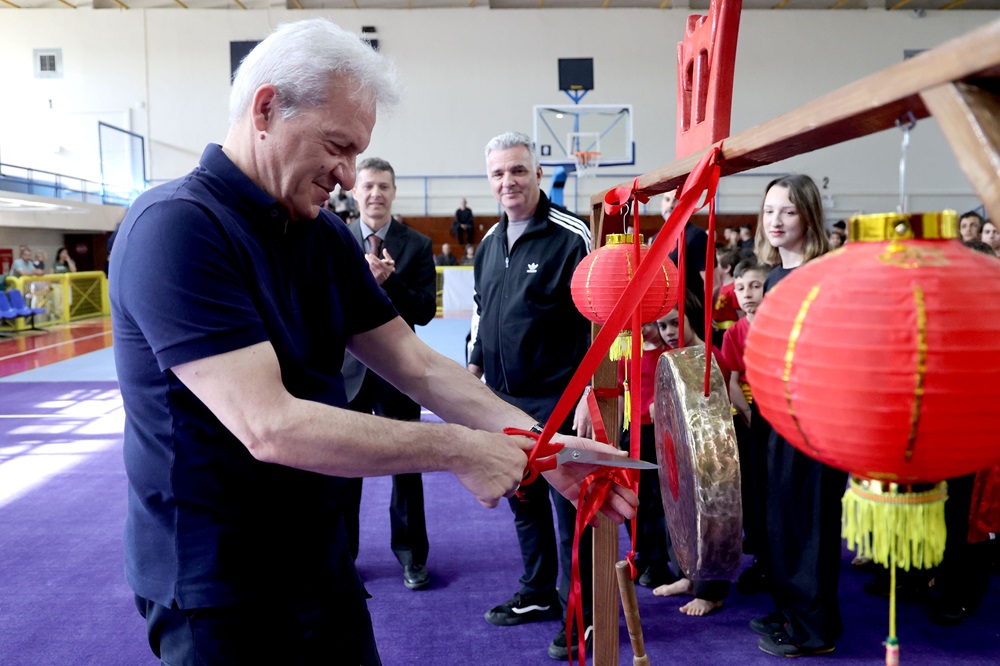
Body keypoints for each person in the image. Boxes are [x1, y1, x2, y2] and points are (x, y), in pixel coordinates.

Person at [108, 21, 636, 666]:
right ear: (266, 109)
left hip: (322, 564)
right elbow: (269, 426)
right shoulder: (177, 228)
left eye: (358, 153)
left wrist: (545, 447)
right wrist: (459, 448)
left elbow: (416, 364)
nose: (347, 174)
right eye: (338, 146)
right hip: (219, 586)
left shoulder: (324, 236)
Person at [469, 131, 596, 661]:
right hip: (504, 401)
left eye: (518, 170)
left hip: (560, 398)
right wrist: (473, 371)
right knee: (524, 502)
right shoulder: (488, 243)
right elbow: (481, 313)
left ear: (538, 174)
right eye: (498, 173)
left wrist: (591, 392)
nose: (508, 181)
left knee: (571, 514)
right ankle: (540, 592)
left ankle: (583, 615)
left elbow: (598, 318)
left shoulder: (572, 236)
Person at [749, 174, 845, 658]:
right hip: (778, 413)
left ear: (808, 215)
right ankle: (792, 611)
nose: (776, 220)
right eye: (769, 211)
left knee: (809, 524)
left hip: (814, 418)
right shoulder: (774, 277)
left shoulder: (822, 275)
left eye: (787, 210)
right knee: (781, 519)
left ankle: (814, 630)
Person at [340, 157, 437, 591]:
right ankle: (343, 558)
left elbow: (424, 310)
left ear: (394, 192)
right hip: (346, 370)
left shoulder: (416, 244)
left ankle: (412, 556)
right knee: (343, 467)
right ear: (355, 192)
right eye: (368, 186)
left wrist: (389, 282)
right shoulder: (333, 237)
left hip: (398, 370)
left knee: (406, 464)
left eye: (383, 186)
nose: (376, 193)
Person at [650, 290, 731, 617]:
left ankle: (711, 592)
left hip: (710, 456)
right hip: (679, 451)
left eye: (675, 323)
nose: (669, 332)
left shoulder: (708, 356)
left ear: (691, 318)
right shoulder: (672, 357)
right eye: (663, 326)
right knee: (678, 513)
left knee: (711, 520)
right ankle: (688, 577)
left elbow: (711, 412)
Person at [718, 257, 771, 595]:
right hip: (750, 416)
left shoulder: (780, 325)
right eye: (740, 288)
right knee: (753, 488)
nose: (747, 294)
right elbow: (732, 381)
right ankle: (762, 558)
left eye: (755, 286)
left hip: (780, 412)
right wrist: (750, 416)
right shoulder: (735, 333)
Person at [617, 321, 674, 590]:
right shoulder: (626, 353)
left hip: (659, 432)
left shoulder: (668, 353)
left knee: (657, 498)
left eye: (649, 323)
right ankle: (641, 552)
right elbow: (620, 393)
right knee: (633, 494)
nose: (642, 328)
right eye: (636, 323)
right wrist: (617, 432)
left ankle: (659, 559)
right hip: (632, 432)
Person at [665, 190, 709, 298]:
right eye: (667, 199)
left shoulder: (697, 236)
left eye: (676, 200)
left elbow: (712, 283)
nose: (670, 205)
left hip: (691, 304)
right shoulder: (656, 238)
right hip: (665, 302)